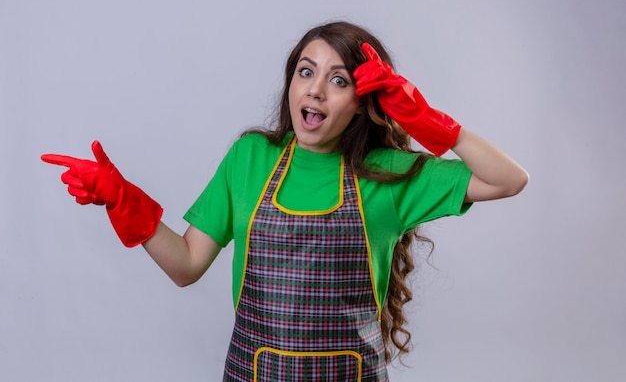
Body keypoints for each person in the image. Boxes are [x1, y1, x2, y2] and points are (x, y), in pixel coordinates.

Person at [42, 21, 528, 382]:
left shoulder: (391, 173)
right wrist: (121, 199)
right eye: (305, 71)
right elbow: (187, 265)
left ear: (363, 100)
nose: (316, 88)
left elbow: (509, 179)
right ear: (291, 83)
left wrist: (428, 123)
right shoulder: (250, 158)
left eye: (339, 80)